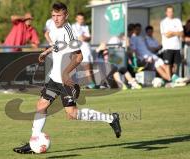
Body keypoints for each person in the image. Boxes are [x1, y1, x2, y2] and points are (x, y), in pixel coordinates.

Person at [13, 2, 121, 154]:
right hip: (54, 78)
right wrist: (47, 52)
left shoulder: (69, 32)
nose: (56, 19)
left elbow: (78, 57)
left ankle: (111, 118)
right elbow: (58, 45)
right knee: (41, 106)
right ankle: (33, 142)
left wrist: (65, 73)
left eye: (59, 16)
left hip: (67, 80)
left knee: (72, 114)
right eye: (53, 15)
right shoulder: (54, 27)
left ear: (66, 16)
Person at [72, 12, 96, 89]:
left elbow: (88, 38)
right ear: (76, 18)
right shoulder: (73, 26)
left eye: (82, 19)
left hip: (87, 48)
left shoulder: (85, 26)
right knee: (85, 66)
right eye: (79, 19)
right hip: (79, 49)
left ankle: (90, 83)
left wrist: (84, 37)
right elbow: (77, 38)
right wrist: (82, 38)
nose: (81, 20)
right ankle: (91, 83)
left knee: (89, 66)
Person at [160, 5, 183, 82]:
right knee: (168, 64)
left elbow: (182, 33)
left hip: (177, 46)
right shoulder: (163, 22)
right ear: (166, 13)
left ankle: (175, 78)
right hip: (167, 46)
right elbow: (166, 35)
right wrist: (176, 32)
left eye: (172, 11)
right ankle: (169, 79)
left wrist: (172, 32)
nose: (170, 13)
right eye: (169, 11)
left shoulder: (177, 21)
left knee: (176, 64)